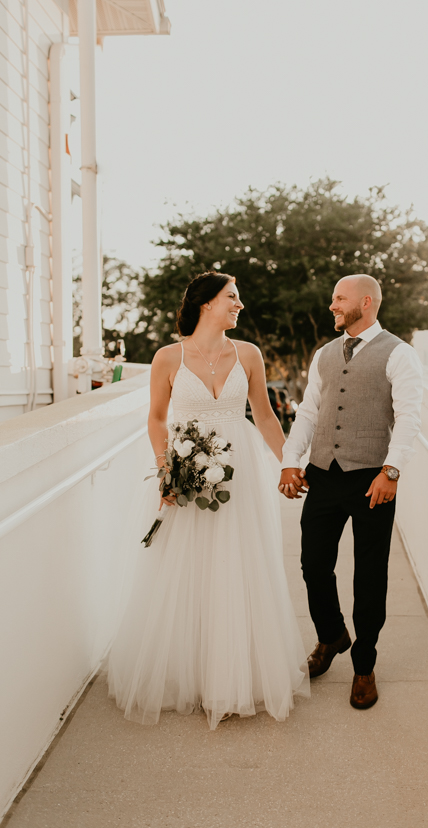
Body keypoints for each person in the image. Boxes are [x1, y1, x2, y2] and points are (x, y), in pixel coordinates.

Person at [108, 272, 309, 729]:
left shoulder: (249, 355)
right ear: (205, 304)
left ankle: (235, 675)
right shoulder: (167, 357)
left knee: (239, 565)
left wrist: (290, 463)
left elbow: (263, 415)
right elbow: (157, 419)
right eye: (232, 297)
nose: (239, 304)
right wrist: (167, 470)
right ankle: (190, 674)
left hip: (241, 474)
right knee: (188, 568)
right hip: (186, 471)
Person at [279, 275, 422, 710]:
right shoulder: (324, 353)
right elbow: (308, 410)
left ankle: (364, 665)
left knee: (369, 575)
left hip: (372, 480)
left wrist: (391, 472)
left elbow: (409, 416)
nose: (332, 305)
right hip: (322, 474)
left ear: (366, 301)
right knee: (312, 565)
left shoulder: (399, 353)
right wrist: (290, 458)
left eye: (339, 298)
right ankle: (331, 634)